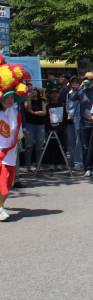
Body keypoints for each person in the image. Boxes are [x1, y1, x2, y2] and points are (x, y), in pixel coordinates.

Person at [0, 59, 29, 221]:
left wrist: (19, 146)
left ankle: (1, 206)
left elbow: (16, 135)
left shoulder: (15, 114)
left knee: (8, 183)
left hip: (10, 153)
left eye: (12, 97)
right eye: (7, 97)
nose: (10, 100)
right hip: (0, 154)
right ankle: (1, 208)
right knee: (2, 182)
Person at [23, 83, 46, 173]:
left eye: (35, 90)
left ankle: (38, 165)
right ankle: (28, 165)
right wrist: (29, 98)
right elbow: (28, 109)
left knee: (39, 146)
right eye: (31, 91)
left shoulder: (42, 101)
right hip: (30, 125)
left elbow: (44, 112)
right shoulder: (26, 100)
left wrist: (34, 113)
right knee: (29, 146)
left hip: (40, 125)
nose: (33, 92)